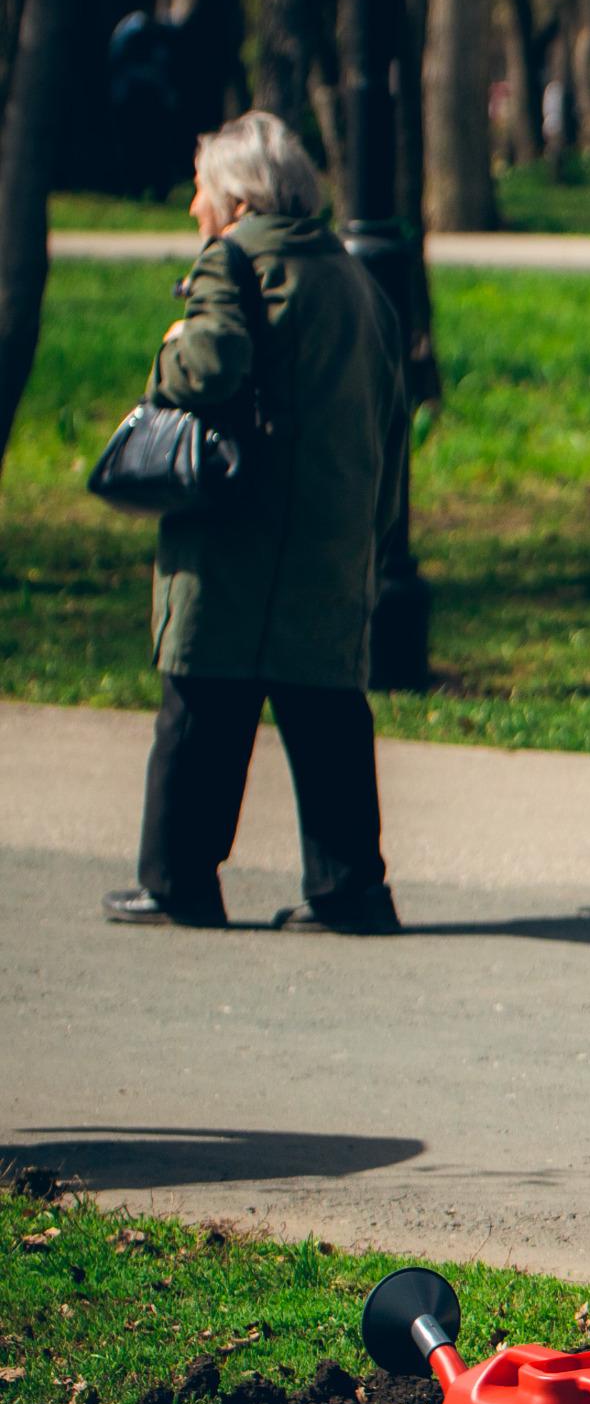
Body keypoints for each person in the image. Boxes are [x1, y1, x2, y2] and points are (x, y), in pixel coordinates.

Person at [104, 111, 411, 936]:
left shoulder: (233, 261)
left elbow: (208, 366)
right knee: (327, 716)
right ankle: (351, 891)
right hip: (331, 533)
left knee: (201, 705)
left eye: (201, 188)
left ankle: (179, 882)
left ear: (236, 197)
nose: (194, 206)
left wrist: (170, 347)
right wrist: (375, 531)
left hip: (238, 534)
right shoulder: (353, 277)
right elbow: (392, 417)